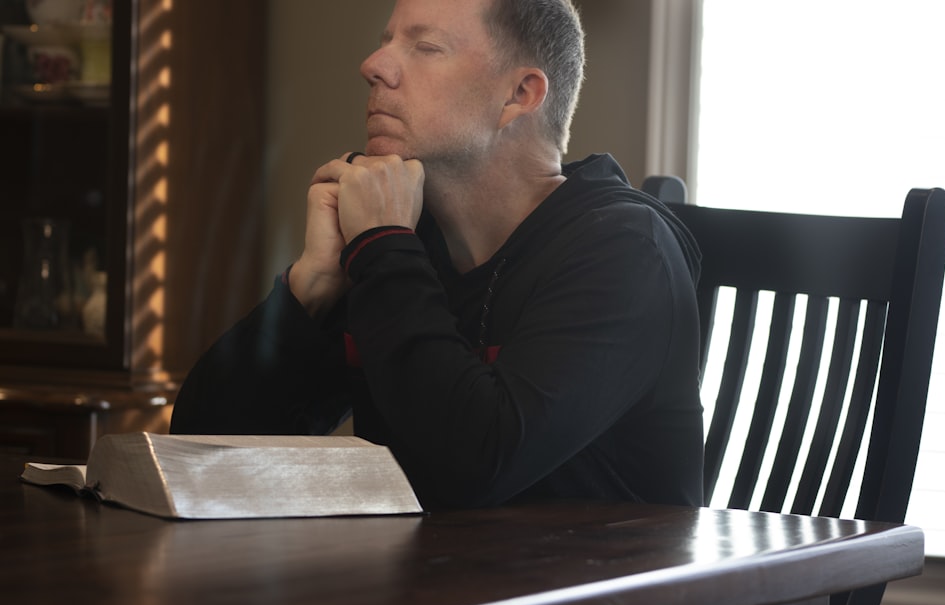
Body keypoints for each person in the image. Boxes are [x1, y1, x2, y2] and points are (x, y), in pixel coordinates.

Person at [170, 0, 704, 510]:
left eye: (424, 47)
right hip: (429, 589)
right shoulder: (406, 241)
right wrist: (311, 290)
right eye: (386, 43)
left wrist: (383, 248)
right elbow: (201, 448)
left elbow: (472, 468)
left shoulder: (625, 250)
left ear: (519, 94)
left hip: (603, 600)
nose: (372, 65)